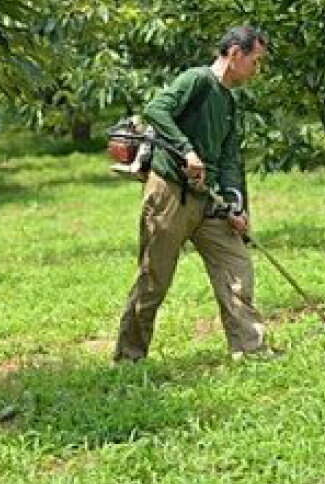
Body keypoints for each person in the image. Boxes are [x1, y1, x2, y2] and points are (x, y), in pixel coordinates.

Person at [113, 26, 271, 363]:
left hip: (209, 201)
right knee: (154, 278)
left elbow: (230, 159)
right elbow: (156, 109)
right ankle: (129, 356)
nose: (258, 70)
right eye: (256, 61)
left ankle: (250, 349)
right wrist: (186, 150)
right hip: (171, 193)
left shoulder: (230, 102)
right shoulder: (196, 80)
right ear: (235, 54)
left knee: (236, 268)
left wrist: (234, 204)